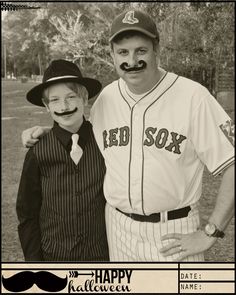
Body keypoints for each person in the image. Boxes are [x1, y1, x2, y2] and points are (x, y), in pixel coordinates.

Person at [22, 10, 234, 262]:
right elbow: (86, 132)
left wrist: (211, 231)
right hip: (117, 231)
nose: (131, 60)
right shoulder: (106, 99)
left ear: (156, 50)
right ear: (112, 55)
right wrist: (51, 133)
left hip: (172, 234)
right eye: (123, 52)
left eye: (140, 50)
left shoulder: (193, 97)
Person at [16, 59, 109, 261]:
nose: (64, 106)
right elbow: (27, 215)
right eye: (55, 100)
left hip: (100, 258)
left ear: (84, 99)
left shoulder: (105, 142)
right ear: (46, 106)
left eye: (71, 97)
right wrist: (35, 265)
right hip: (54, 257)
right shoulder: (38, 152)